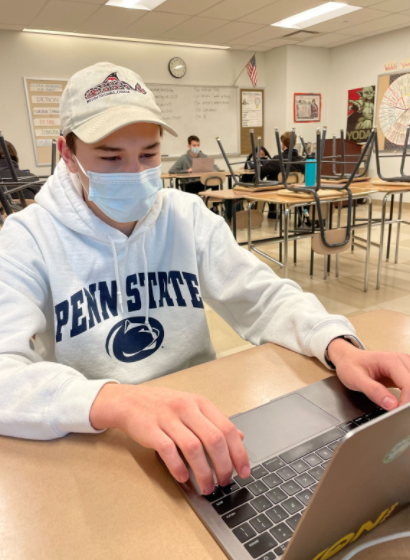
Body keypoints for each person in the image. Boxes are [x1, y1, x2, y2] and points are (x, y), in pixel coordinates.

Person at [0, 62, 409, 499]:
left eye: (149, 154)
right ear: (67, 152)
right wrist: (119, 401)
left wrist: (336, 345)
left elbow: (263, 298)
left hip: (202, 424)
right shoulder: (28, 238)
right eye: (110, 157)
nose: (135, 173)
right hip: (98, 442)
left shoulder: (186, 216)